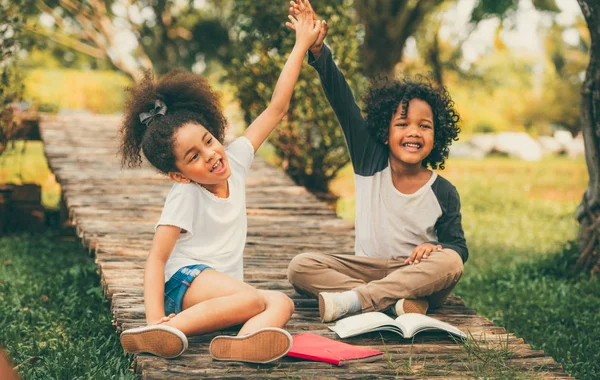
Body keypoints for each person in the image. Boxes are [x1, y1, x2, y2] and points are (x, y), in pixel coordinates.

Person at [118, 1, 322, 362]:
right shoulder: (186, 193)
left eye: (209, 141)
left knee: (281, 301)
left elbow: (277, 108)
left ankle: (244, 342)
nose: (211, 155)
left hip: (220, 292)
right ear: (179, 174)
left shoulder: (237, 159)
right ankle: (166, 330)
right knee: (253, 298)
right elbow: (156, 260)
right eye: (194, 156)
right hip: (183, 282)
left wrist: (300, 45)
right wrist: (153, 318)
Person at [286, 0, 468, 323]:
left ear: (436, 136)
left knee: (451, 263)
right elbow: (343, 101)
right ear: (385, 133)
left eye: (424, 126)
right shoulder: (370, 159)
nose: (413, 132)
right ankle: (392, 303)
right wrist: (318, 52)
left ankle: (358, 300)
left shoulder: (444, 192)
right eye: (403, 123)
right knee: (300, 266)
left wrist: (436, 250)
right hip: (365, 269)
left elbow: (457, 249)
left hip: (412, 272)